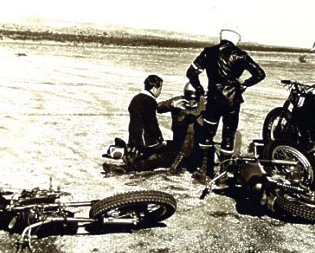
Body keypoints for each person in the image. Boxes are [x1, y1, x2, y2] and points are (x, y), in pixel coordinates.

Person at [185, 29, 266, 182]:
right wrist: (244, 84)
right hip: (232, 101)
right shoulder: (241, 55)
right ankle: (223, 174)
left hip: (213, 99)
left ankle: (203, 170)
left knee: (207, 135)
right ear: (235, 39)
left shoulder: (208, 52)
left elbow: (191, 72)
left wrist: (200, 89)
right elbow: (260, 74)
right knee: (228, 136)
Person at [102, 75, 187, 174]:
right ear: (154, 89)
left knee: (145, 153)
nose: (160, 92)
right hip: (145, 140)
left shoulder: (136, 98)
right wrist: (160, 139)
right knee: (164, 155)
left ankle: (127, 154)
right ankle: (127, 166)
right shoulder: (149, 101)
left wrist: (171, 105)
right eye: (160, 89)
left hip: (134, 137)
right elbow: (152, 124)